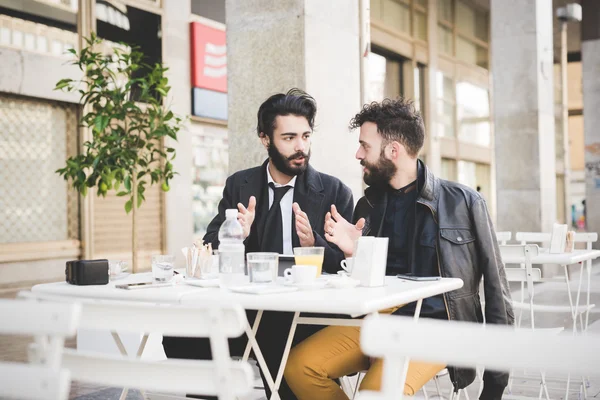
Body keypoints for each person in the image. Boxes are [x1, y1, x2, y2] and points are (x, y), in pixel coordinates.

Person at [284, 98, 514, 400]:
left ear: (393, 151)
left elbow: (498, 292)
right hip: (376, 320)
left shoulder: (464, 203)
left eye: (365, 146)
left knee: (375, 394)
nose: (358, 154)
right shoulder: (368, 205)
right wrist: (352, 251)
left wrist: (495, 385)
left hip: (436, 327)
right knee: (299, 367)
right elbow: (362, 282)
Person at [163, 88, 354, 399]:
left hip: (306, 316)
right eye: (289, 138)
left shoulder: (333, 192)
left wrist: (313, 242)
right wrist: (237, 234)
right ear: (265, 138)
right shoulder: (240, 185)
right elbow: (211, 246)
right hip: (248, 310)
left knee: (275, 340)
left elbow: (346, 264)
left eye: (305, 136)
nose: (300, 146)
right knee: (181, 336)